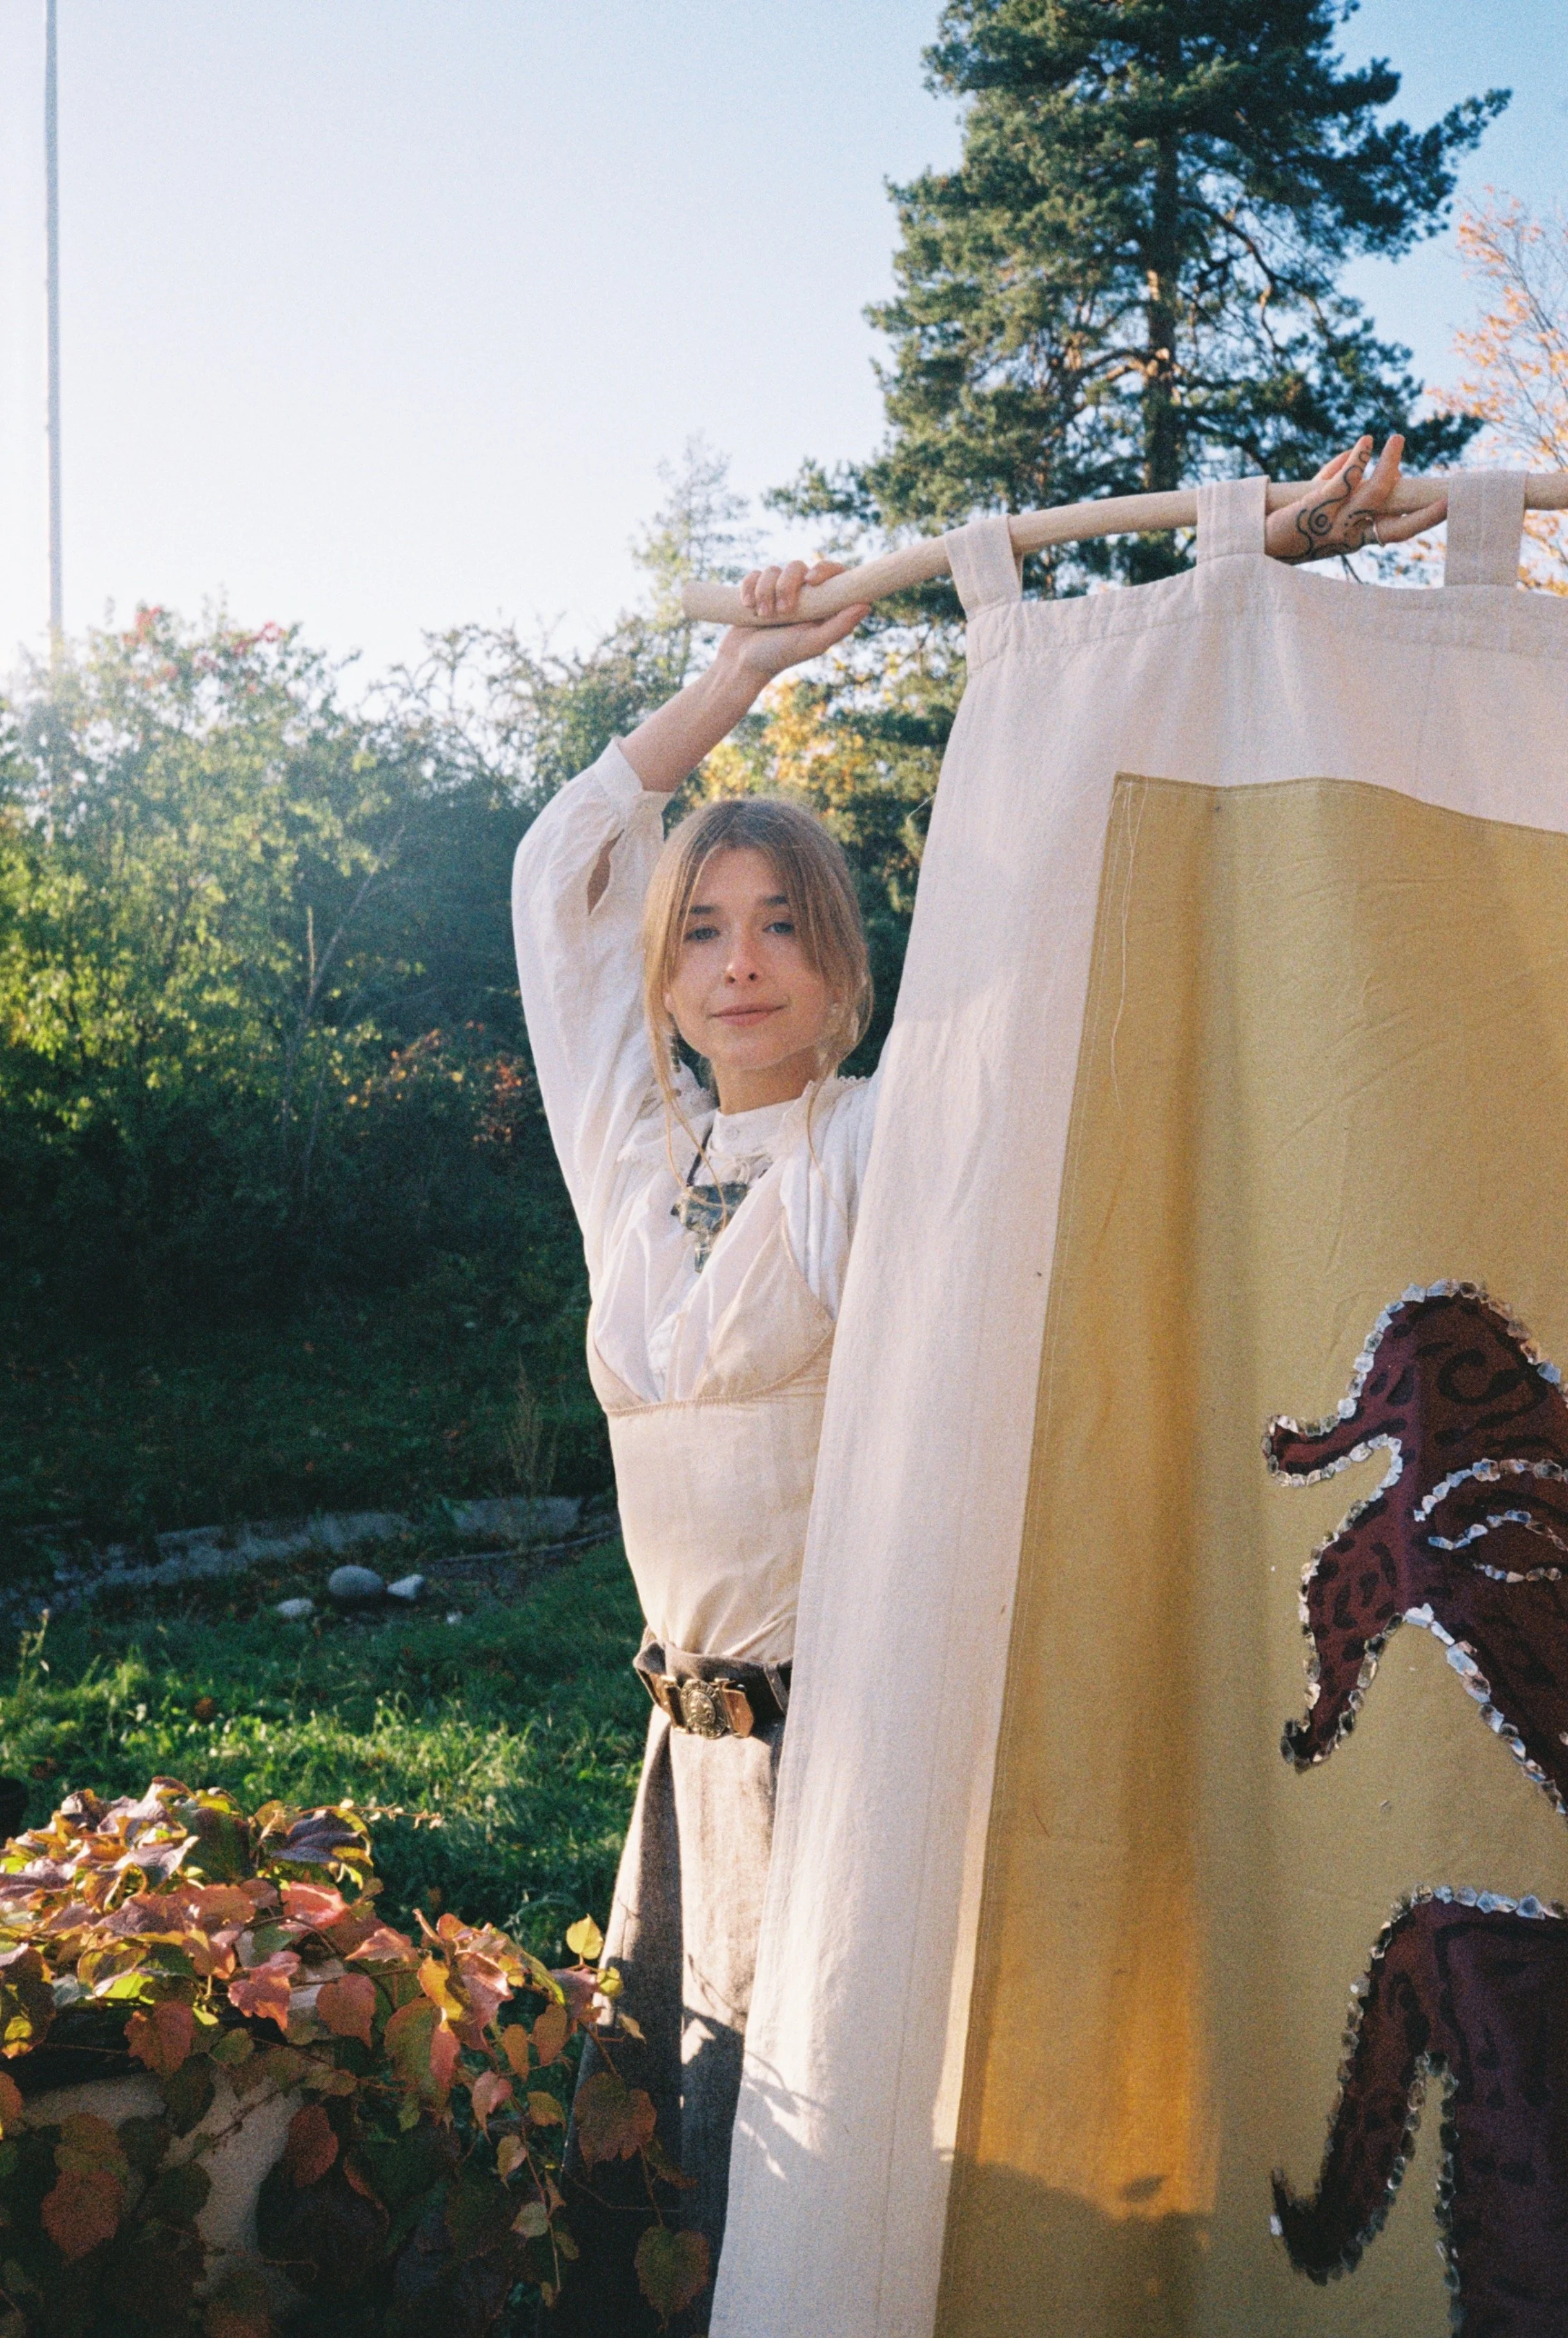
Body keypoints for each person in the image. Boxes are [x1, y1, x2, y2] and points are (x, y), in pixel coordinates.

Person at [509, 431, 1446, 2330]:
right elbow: (560, 872)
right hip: (687, 1759)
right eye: (706, 931)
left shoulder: (882, 1136)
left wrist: (1262, 567)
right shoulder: (632, 1158)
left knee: (861, 2180)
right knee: (698, 2180)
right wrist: (741, 675)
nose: (741, 964)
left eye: (785, 927)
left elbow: (1067, 894)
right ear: (665, 978)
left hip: (851, 1746)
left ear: (846, 971)